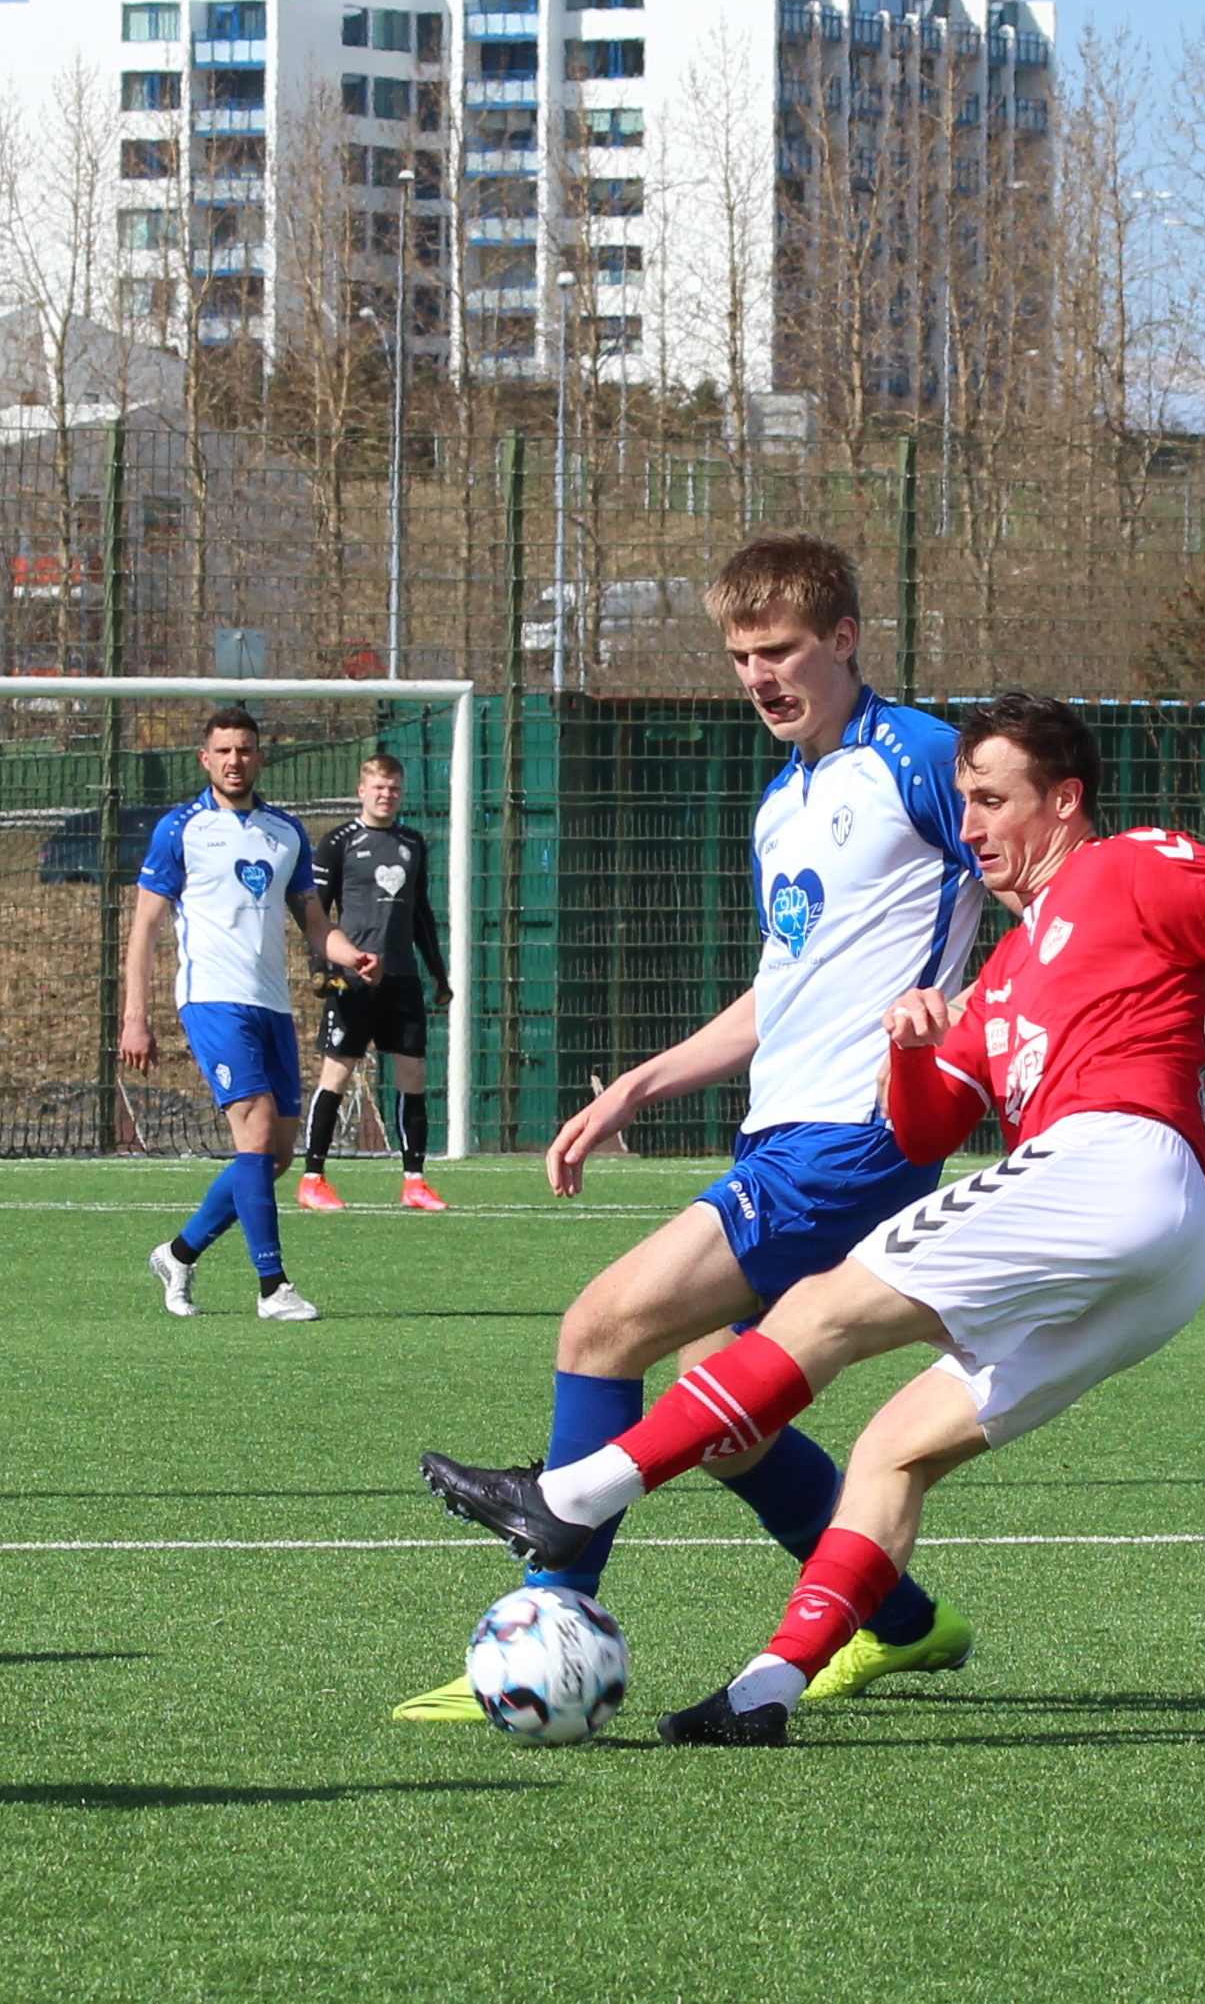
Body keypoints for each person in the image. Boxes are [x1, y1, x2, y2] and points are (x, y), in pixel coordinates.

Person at [420, 692, 1205, 1745]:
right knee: (894, 1450)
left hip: (1120, 1160)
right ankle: (764, 1694)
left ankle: (571, 1495)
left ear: (1064, 801)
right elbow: (930, 1123)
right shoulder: (1001, 977)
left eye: (992, 800)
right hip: (1153, 1255)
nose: (971, 824)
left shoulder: (1134, 865)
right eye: (965, 801)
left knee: (821, 1309)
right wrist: (911, 1046)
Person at [392, 532, 988, 1725]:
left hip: (858, 1138)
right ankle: (904, 1623)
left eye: (783, 650)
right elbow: (780, 994)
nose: (761, 676)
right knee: (727, 1416)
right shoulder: (784, 802)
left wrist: (975, 1019)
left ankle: (546, 1628)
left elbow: (1050, 889)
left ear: (845, 639)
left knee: (603, 1325)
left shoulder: (922, 759)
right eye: (741, 656)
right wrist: (637, 1087)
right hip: (784, 1133)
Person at [123, 707, 381, 1321]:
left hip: (271, 1003)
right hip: (211, 998)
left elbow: (313, 921)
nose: (234, 760)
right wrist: (135, 1015)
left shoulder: (284, 831)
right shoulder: (180, 830)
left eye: (244, 749)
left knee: (275, 1156)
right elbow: (145, 928)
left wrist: (349, 955)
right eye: (223, 751)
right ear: (205, 760)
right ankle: (273, 1288)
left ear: (260, 757)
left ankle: (179, 1254)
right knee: (257, 1132)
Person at [298, 753, 453, 1212]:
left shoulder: (412, 842)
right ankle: (312, 1178)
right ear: (362, 790)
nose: (387, 796)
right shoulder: (338, 842)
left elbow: (420, 913)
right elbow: (315, 914)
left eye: (394, 788)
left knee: (413, 1074)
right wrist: (323, 968)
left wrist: (437, 972)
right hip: (354, 979)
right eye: (379, 788)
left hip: (402, 977)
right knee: (338, 1072)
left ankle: (414, 1182)